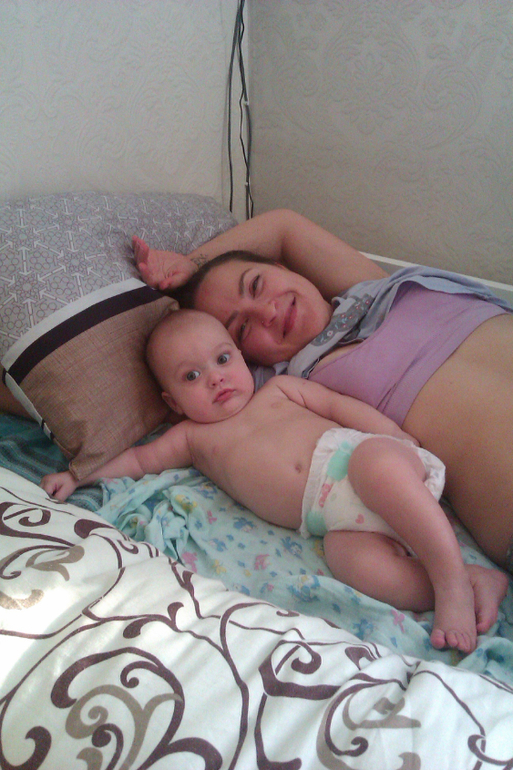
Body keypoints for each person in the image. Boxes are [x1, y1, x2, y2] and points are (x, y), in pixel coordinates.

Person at [41, 309, 508, 655]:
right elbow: (140, 459)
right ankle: (470, 580)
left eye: (223, 359)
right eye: (192, 376)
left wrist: (395, 437)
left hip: (364, 463)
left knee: (375, 467)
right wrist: (77, 476)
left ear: (242, 358)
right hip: (335, 522)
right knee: (354, 565)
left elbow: (338, 407)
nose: (216, 379)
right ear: (174, 402)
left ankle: (448, 582)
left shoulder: (279, 390)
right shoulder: (191, 439)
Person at [129, 209, 513, 575]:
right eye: (242, 329)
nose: (267, 312)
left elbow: (283, 226)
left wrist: (193, 264)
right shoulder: (290, 386)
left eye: (257, 284)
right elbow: (188, 384)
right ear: (244, 357)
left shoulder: (376, 288)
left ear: (282, 267)